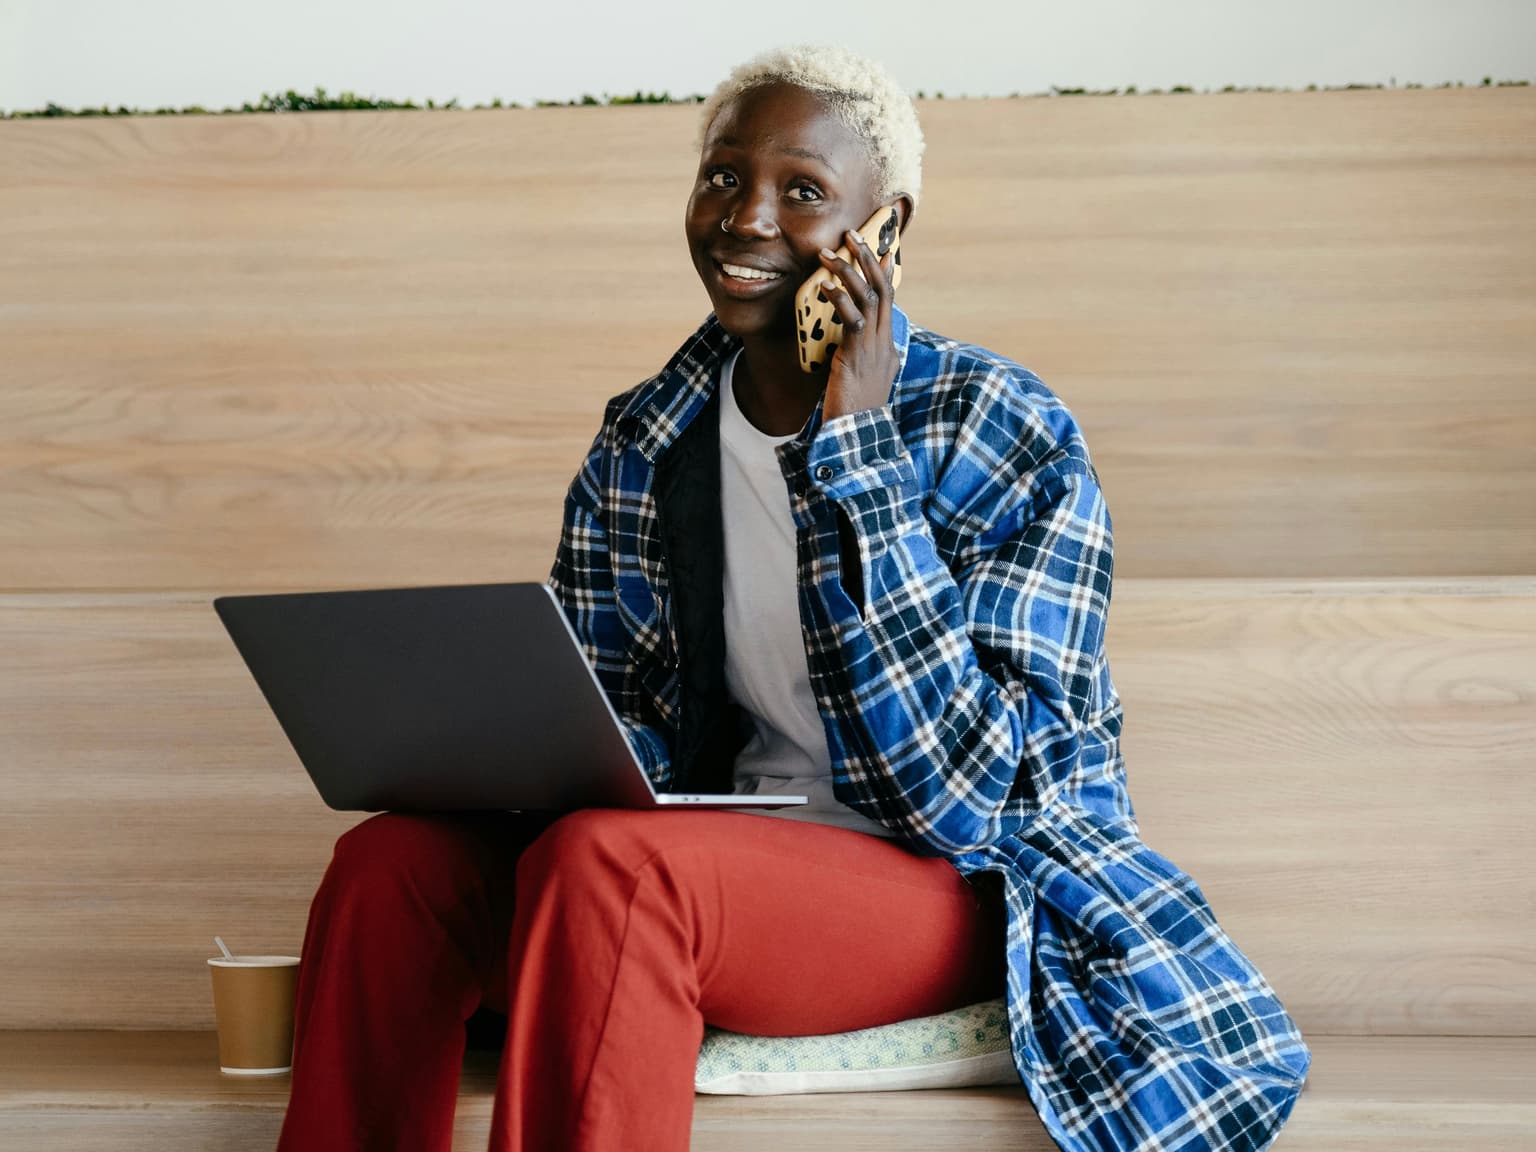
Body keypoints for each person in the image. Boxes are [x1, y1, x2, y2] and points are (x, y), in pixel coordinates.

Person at [276, 44, 1311, 1152]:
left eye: (803, 191)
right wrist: (497, 749)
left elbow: (970, 803)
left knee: (613, 868)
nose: (747, 218)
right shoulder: (645, 438)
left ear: (886, 229)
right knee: (389, 871)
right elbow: (616, 728)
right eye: (724, 177)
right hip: (707, 866)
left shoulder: (1001, 428)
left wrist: (857, 449)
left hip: (958, 888)